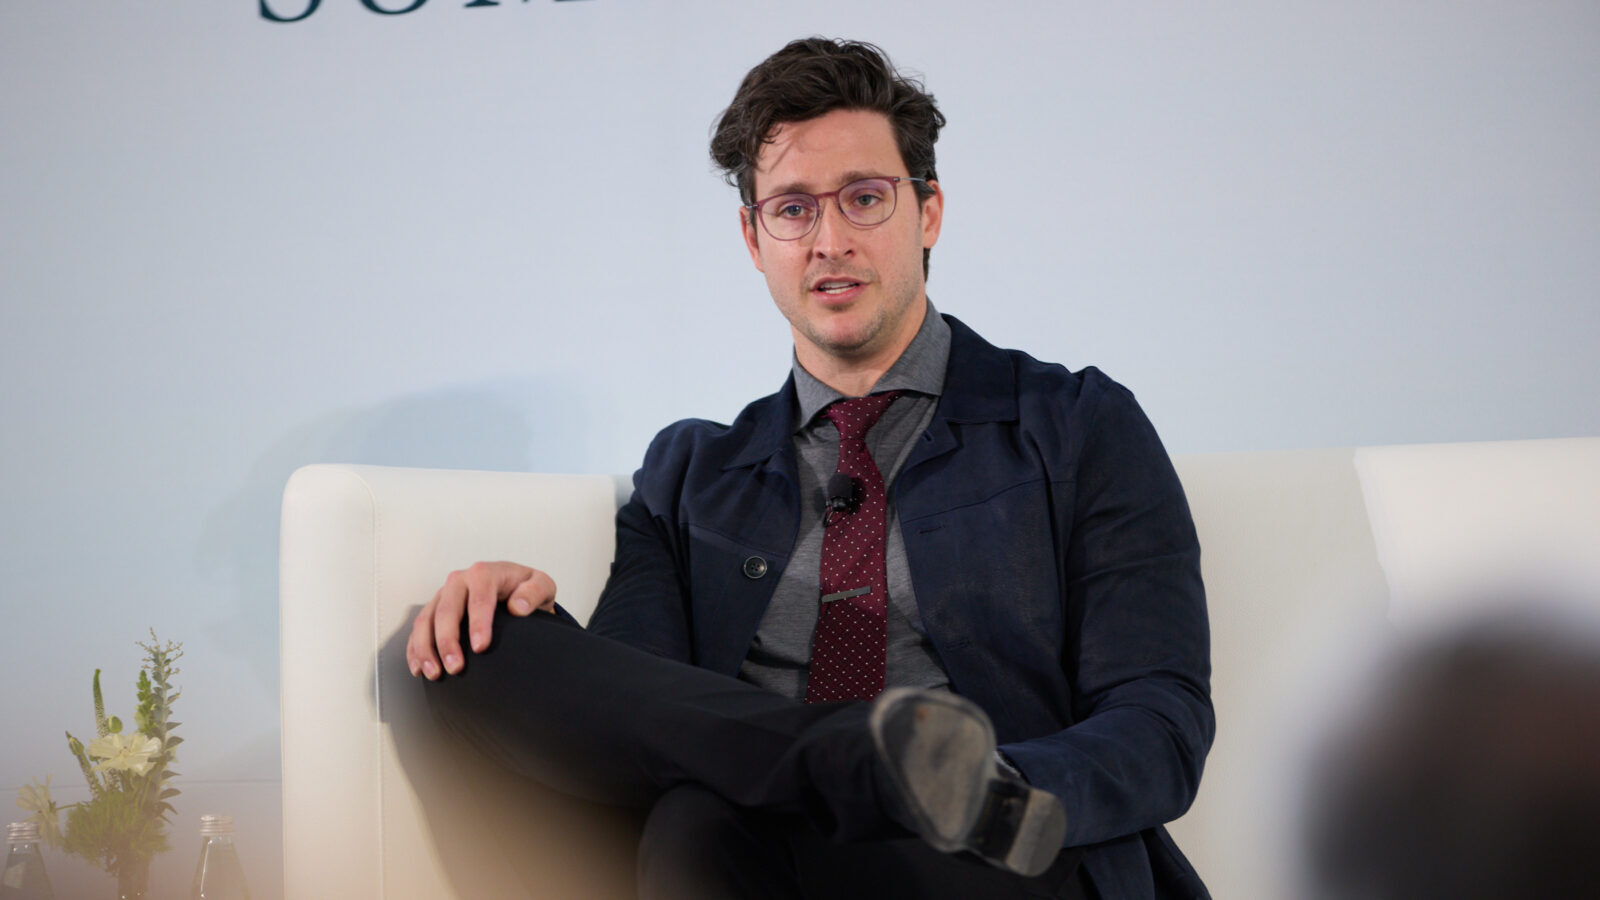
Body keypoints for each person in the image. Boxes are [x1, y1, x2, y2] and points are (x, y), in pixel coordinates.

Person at [407, 37, 1213, 900]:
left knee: (698, 821)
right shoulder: (690, 475)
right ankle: (858, 764)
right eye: (792, 209)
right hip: (756, 848)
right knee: (471, 652)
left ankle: (901, 781)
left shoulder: (1076, 423)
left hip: (999, 861)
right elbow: (639, 713)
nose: (830, 241)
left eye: (864, 199)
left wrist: (992, 793)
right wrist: (524, 616)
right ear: (754, 239)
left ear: (928, 212)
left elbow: (1159, 724)